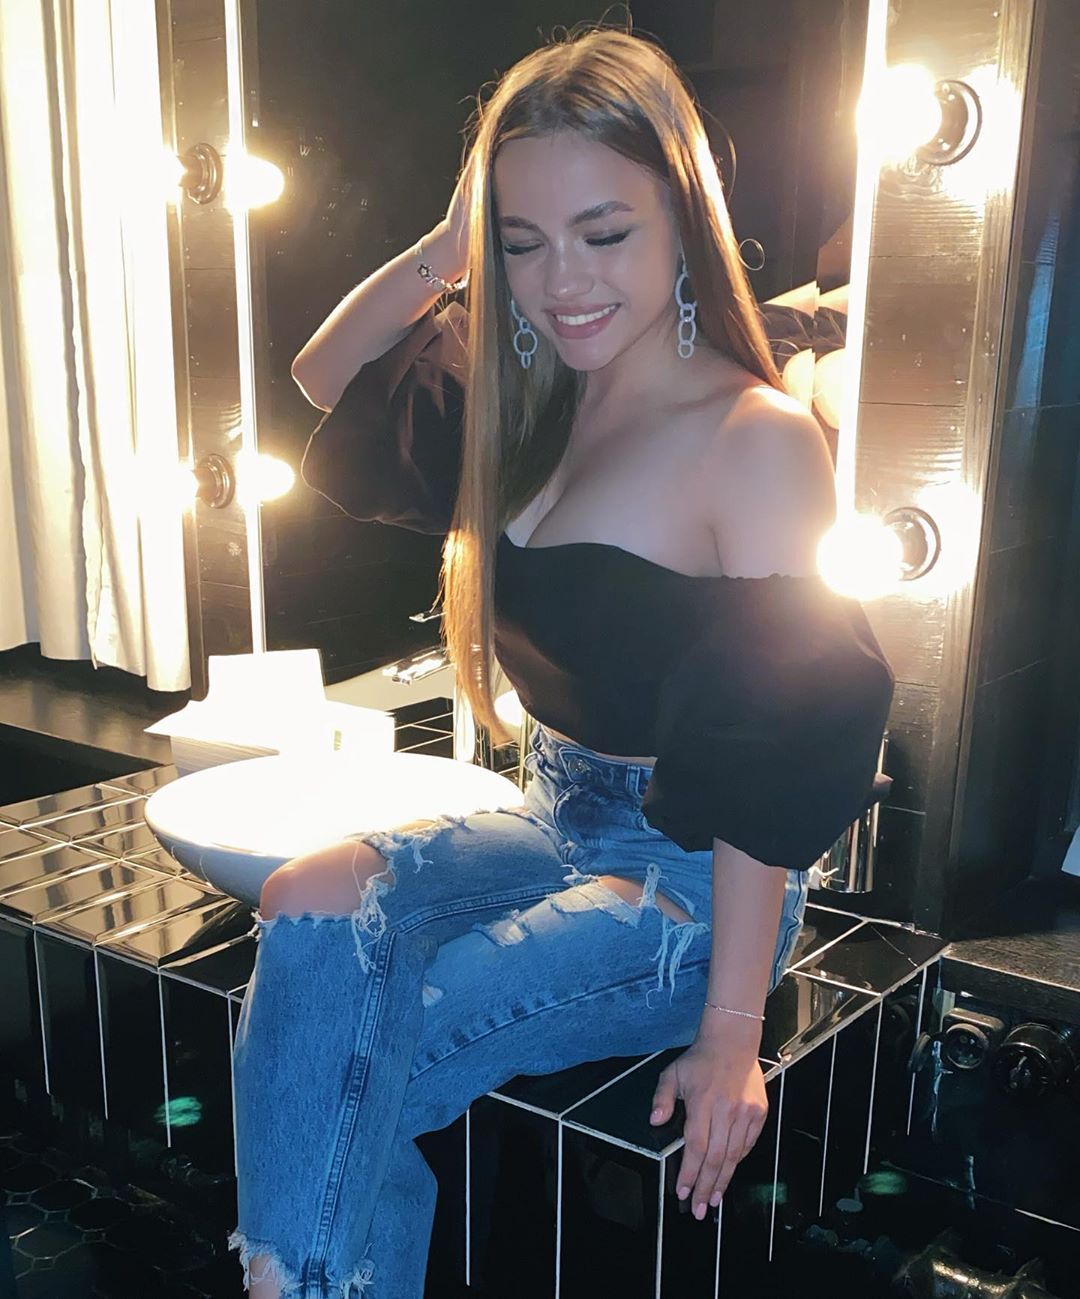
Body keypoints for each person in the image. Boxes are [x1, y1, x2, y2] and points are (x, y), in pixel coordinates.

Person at [229, 24, 895, 1299]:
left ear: (682, 218)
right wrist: (451, 247)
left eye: (604, 232)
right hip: (552, 813)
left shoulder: (754, 441)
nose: (561, 282)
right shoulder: (529, 397)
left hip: (689, 883)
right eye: (524, 243)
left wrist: (732, 1036)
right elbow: (324, 374)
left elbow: (772, 758)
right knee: (307, 900)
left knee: (350, 1056)